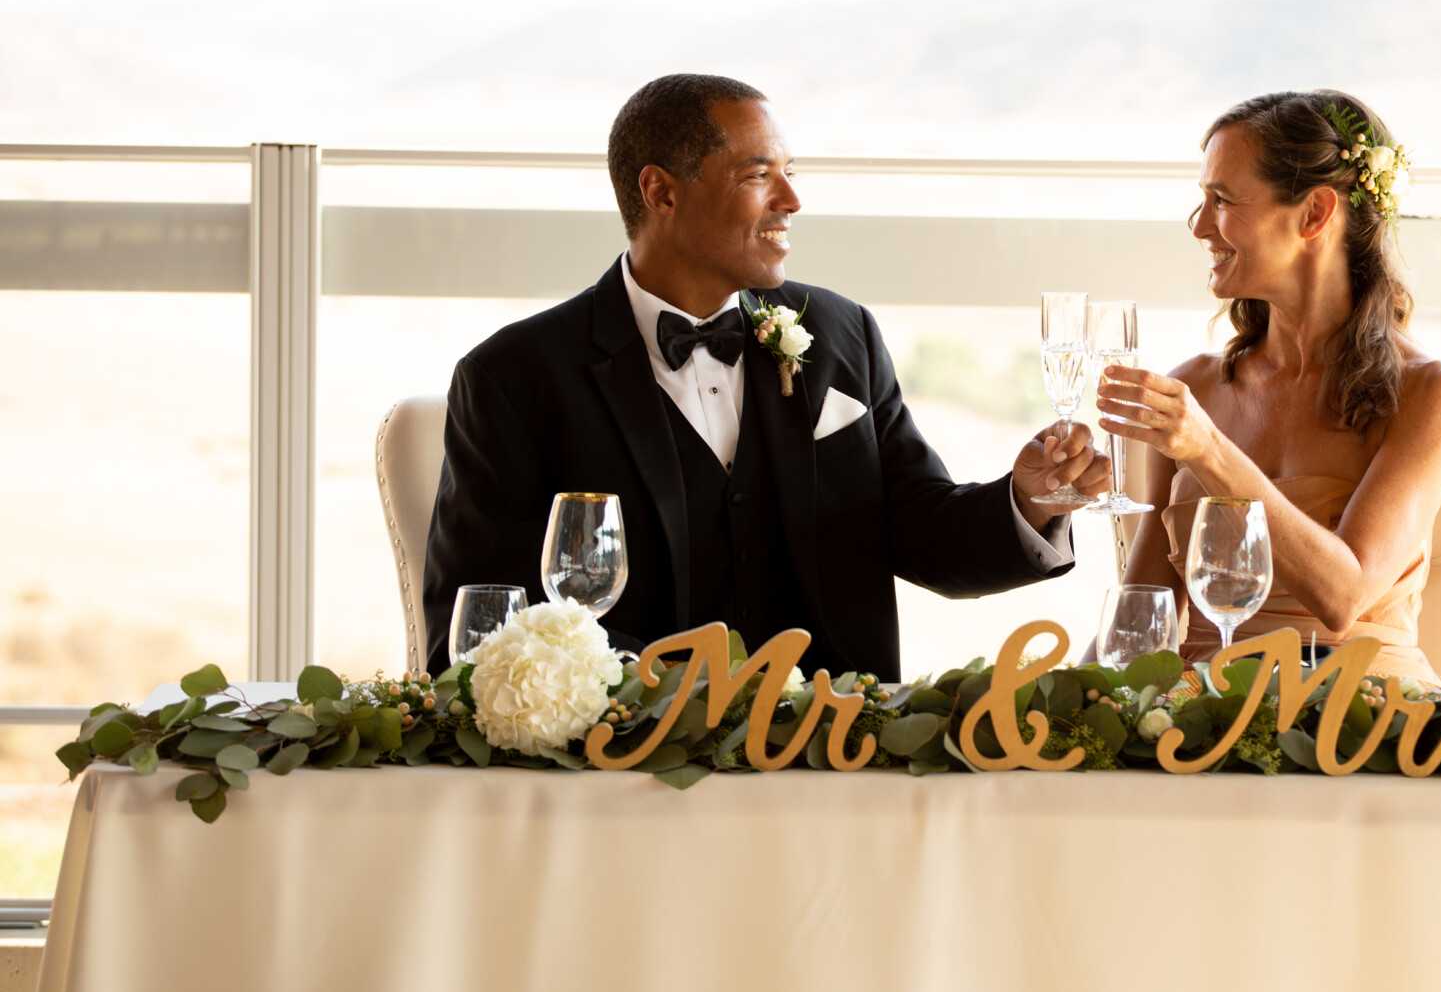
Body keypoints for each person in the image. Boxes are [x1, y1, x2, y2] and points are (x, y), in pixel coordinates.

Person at [422, 74, 1108, 677]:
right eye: (758, 175)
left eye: (790, 171)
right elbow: (482, 628)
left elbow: (923, 529)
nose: (792, 199)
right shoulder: (513, 378)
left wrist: (1028, 500)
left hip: (838, 750)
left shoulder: (841, 334)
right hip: (627, 763)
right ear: (661, 191)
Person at [1098, 89, 1441, 683]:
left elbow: (1343, 596)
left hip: (1360, 713)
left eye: (1222, 200)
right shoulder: (1195, 386)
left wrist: (1208, 450)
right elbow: (1140, 625)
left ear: (1315, 214)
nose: (1199, 227)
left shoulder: (1429, 393)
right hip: (1200, 715)